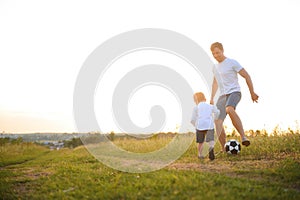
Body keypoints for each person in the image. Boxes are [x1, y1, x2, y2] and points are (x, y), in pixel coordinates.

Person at [209, 42, 259, 151]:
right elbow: (215, 83)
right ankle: (223, 149)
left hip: (234, 92)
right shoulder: (215, 67)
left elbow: (246, 76)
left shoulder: (232, 62)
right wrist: (212, 98)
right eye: (214, 54)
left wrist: (252, 93)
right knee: (217, 121)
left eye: (218, 53)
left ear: (222, 51)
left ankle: (243, 137)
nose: (216, 55)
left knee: (229, 109)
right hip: (223, 95)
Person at [191, 92, 220, 160]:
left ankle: (200, 155)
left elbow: (192, 119)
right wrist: (216, 118)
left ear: (196, 100)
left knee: (200, 142)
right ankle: (211, 148)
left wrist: (195, 125)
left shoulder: (196, 107)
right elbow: (217, 112)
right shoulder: (210, 106)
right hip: (209, 125)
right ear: (205, 99)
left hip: (200, 125)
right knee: (211, 140)